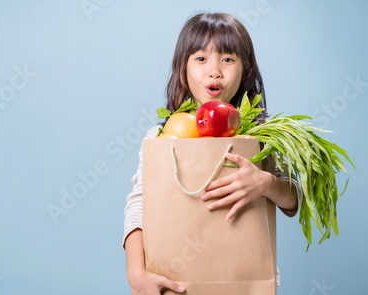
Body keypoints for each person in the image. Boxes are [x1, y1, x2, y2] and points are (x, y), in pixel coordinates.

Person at [123, 12, 303, 294]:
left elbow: (294, 199)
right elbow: (138, 204)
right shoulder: (162, 137)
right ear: (183, 70)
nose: (215, 70)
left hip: (245, 282)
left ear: (247, 69)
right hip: (175, 281)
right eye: (200, 59)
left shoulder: (261, 135)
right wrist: (136, 273)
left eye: (228, 59)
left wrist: (265, 183)